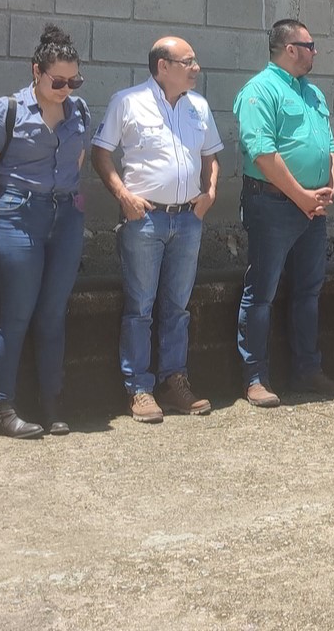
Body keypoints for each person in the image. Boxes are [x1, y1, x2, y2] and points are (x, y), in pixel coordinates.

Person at [91, 36, 221, 424]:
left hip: (188, 219)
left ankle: (174, 382)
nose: (196, 68)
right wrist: (123, 196)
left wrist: (210, 193)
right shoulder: (127, 102)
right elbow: (101, 153)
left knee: (178, 307)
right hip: (145, 220)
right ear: (163, 66)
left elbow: (211, 156)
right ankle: (138, 388)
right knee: (140, 308)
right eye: (188, 62)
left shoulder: (198, 106)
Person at [0, 25, 90, 439]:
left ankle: (52, 402)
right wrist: (7, 207)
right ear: (36, 71)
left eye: (73, 81)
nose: (66, 89)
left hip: (65, 217)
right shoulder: (7, 110)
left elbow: (76, 161)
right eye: (58, 81)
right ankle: (4, 406)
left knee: (54, 313)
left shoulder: (79, 111)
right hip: (19, 215)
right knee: (17, 314)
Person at [233, 20, 334, 407]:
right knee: (261, 293)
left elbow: (329, 144)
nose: (315, 51)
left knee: (308, 291)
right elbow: (262, 153)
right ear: (290, 49)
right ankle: (255, 378)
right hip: (273, 205)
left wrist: (329, 183)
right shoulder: (260, 90)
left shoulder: (313, 92)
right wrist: (302, 196)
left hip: (312, 207)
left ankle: (307, 370)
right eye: (310, 45)